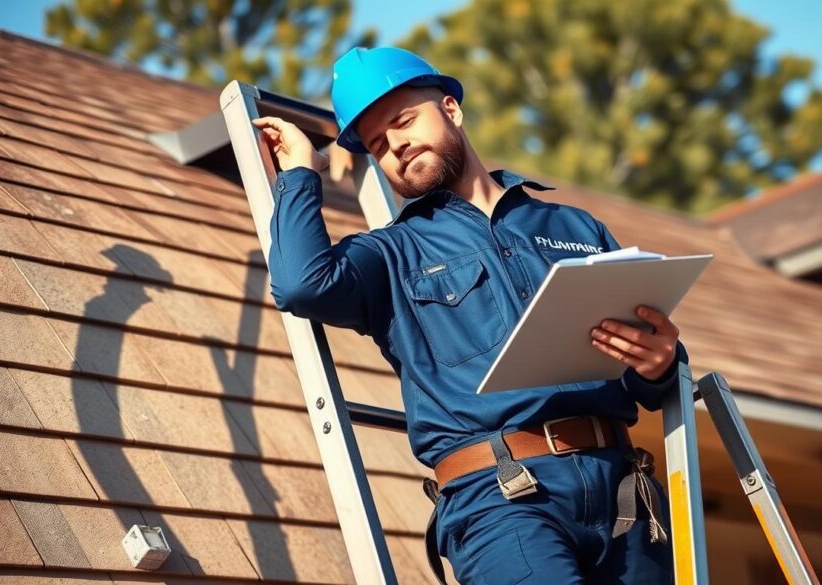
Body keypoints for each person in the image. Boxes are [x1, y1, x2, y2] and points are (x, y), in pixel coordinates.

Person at [253, 46, 689, 584]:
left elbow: (652, 380)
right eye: (377, 144)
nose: (397, 146)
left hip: (627, 493)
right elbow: (301, 284)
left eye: (404, 121)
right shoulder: (389, 254)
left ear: (451, 110)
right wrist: (300, 172)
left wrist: (662, 361)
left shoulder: (578, 228)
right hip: (503, 502)